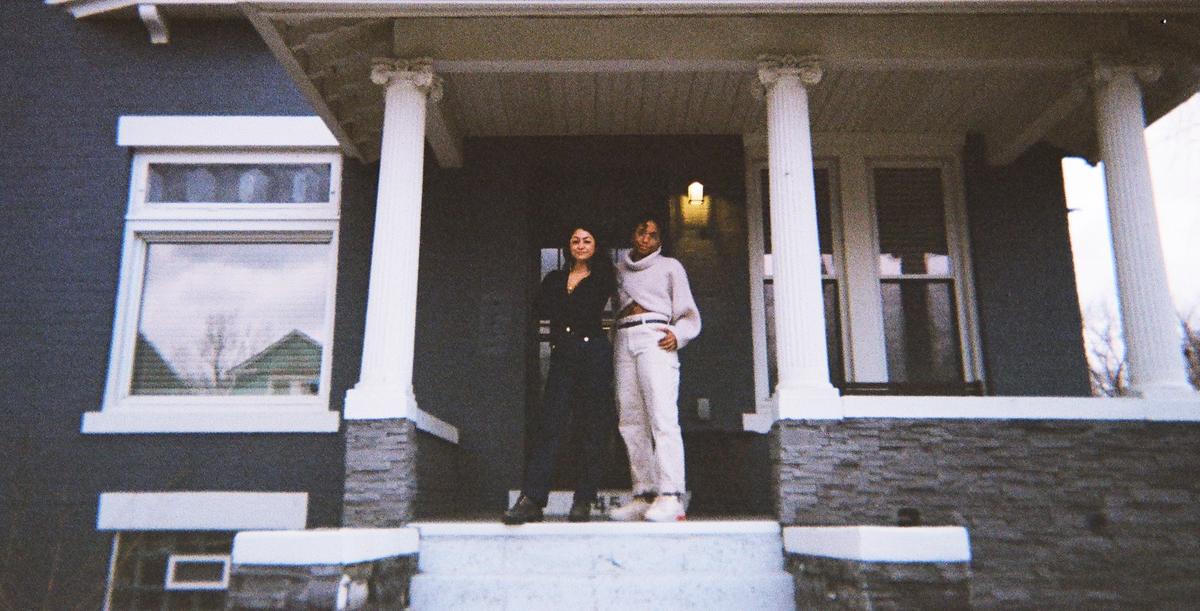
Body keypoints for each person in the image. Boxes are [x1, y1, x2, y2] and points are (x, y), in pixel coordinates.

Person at [504, 224, 616, 525]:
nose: (580, 245)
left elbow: (581, 308)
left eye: (587, 241)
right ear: (569, 246)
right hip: (563, 356)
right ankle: (532, 500)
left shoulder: (604, 276)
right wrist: (564, 309)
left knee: (590, 426)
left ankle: (583, 501)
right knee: (550, 424)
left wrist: (563, 307)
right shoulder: (554, 277)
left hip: (593, 354)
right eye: (575, 241)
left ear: (595, 246)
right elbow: (541, 305)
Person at [609, 213, 701, 522]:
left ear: (660, 240)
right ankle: (643, 493)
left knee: (662, 416)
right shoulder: (618, 270)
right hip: (623, 336)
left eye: (653, 234)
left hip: (656, 336)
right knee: (630, 419)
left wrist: (678, 334)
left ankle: (671, 495)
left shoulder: (670, 267)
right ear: (633, 235)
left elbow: (688, 313)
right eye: (641, 231)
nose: (646, 238)